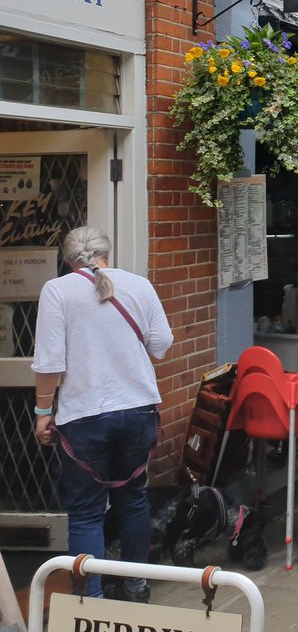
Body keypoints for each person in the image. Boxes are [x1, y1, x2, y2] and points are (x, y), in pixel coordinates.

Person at [32, 226, 173, 602]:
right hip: (138, 409)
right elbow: (162, 345)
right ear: (106, 254)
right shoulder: (139, 285)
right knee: (133, 498)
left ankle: (89, 601)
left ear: (68, 259)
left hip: (84, 417)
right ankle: (136, 587)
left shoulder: (57, 291)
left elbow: (49, 362)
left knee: (85, 512)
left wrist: (43, 411)